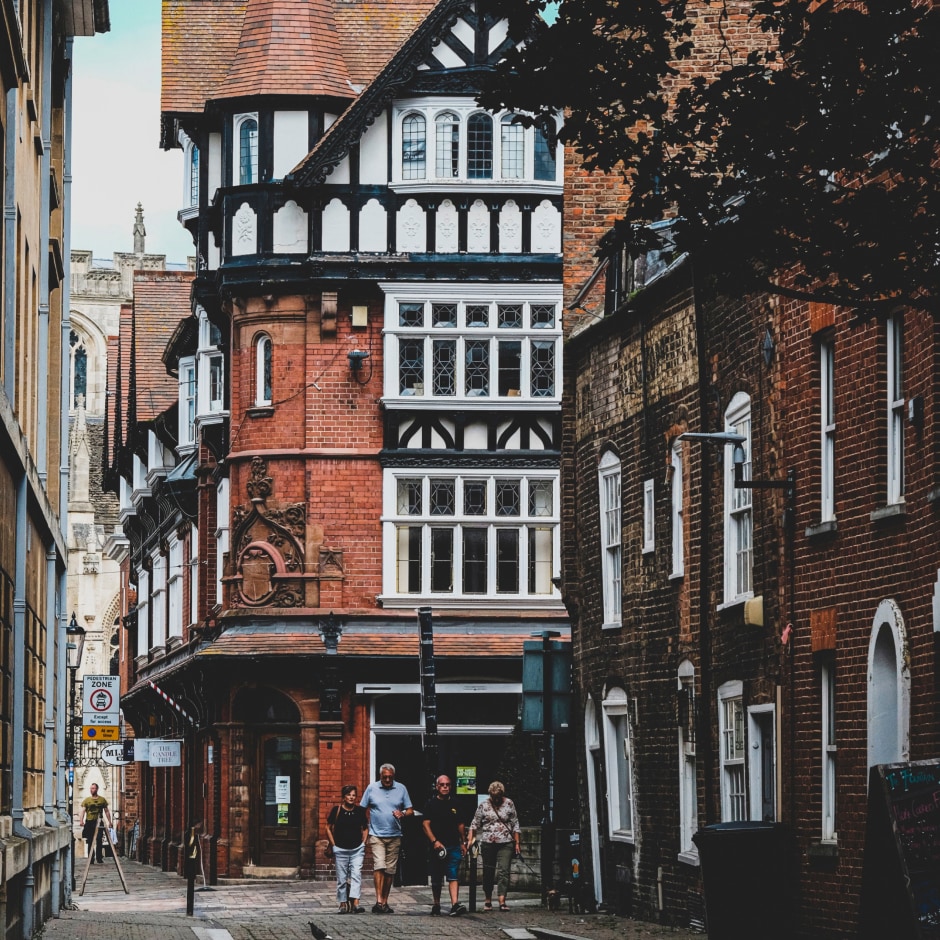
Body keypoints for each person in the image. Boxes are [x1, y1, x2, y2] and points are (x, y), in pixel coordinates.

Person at [359, 763, 413, 913]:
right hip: (376, 835)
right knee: (379, 866)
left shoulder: (401, 788)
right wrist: (365, 828)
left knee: (390, 870)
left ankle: (385, 900)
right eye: (385, 777)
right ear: (380, 776)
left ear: (393, 776)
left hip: (395, 835)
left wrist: (402, 813)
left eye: (390, 777)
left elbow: (410, 810)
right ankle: (378, 901)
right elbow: (362, 808)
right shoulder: (372, 788)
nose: (387, 780)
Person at [467, 780, 521, 912]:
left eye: (498, 797)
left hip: (506, 842)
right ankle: (488, 899)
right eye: (493, 797)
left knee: (504, 871)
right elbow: (474, 824)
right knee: (488, 872)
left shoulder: (509, 803)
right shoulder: (484, 805)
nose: (496, 799)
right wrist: (470, 840)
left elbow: (515, 824)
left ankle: (502, 900)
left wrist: (517, 843)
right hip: (488, 842)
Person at [422, 774, 467, 916]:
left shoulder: (456, 803)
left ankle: (455, 904)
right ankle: (436, 904)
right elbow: (425, 824)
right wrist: (434, 841)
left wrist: (463, 842)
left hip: (453, 844)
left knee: (453, 874)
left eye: (447, 784)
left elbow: (460, 824)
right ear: (437, 787)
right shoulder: (431, 804)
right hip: (437, 847)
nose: (445, 787)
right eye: (442, 785)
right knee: (436, 877)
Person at [326, 784, 368, 914]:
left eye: (354, 795)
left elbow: (365, 828)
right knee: (342, 878)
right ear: (344, 797)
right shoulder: (336, 810)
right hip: (341, 849)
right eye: (349, 795)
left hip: (357, 849)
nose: (351, 797)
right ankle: (343, 903)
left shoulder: (360, 811)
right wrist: (333, 845)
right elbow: (328, 827)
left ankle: (356, 903)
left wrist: (363, 843)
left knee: (356, 875)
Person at [79, 783, 113, 864]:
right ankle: (91, 858)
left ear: (97, 789)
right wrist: (81, 820)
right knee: (90, 840)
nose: (92, 790)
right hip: (89, 822)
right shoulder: (87, 800)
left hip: (99, 821)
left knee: (99, 839)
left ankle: (99, 857)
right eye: (91, 788)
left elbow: (106, 811)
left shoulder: (102, 800)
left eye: (93, 788)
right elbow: (83, 810)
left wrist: (109, 822)